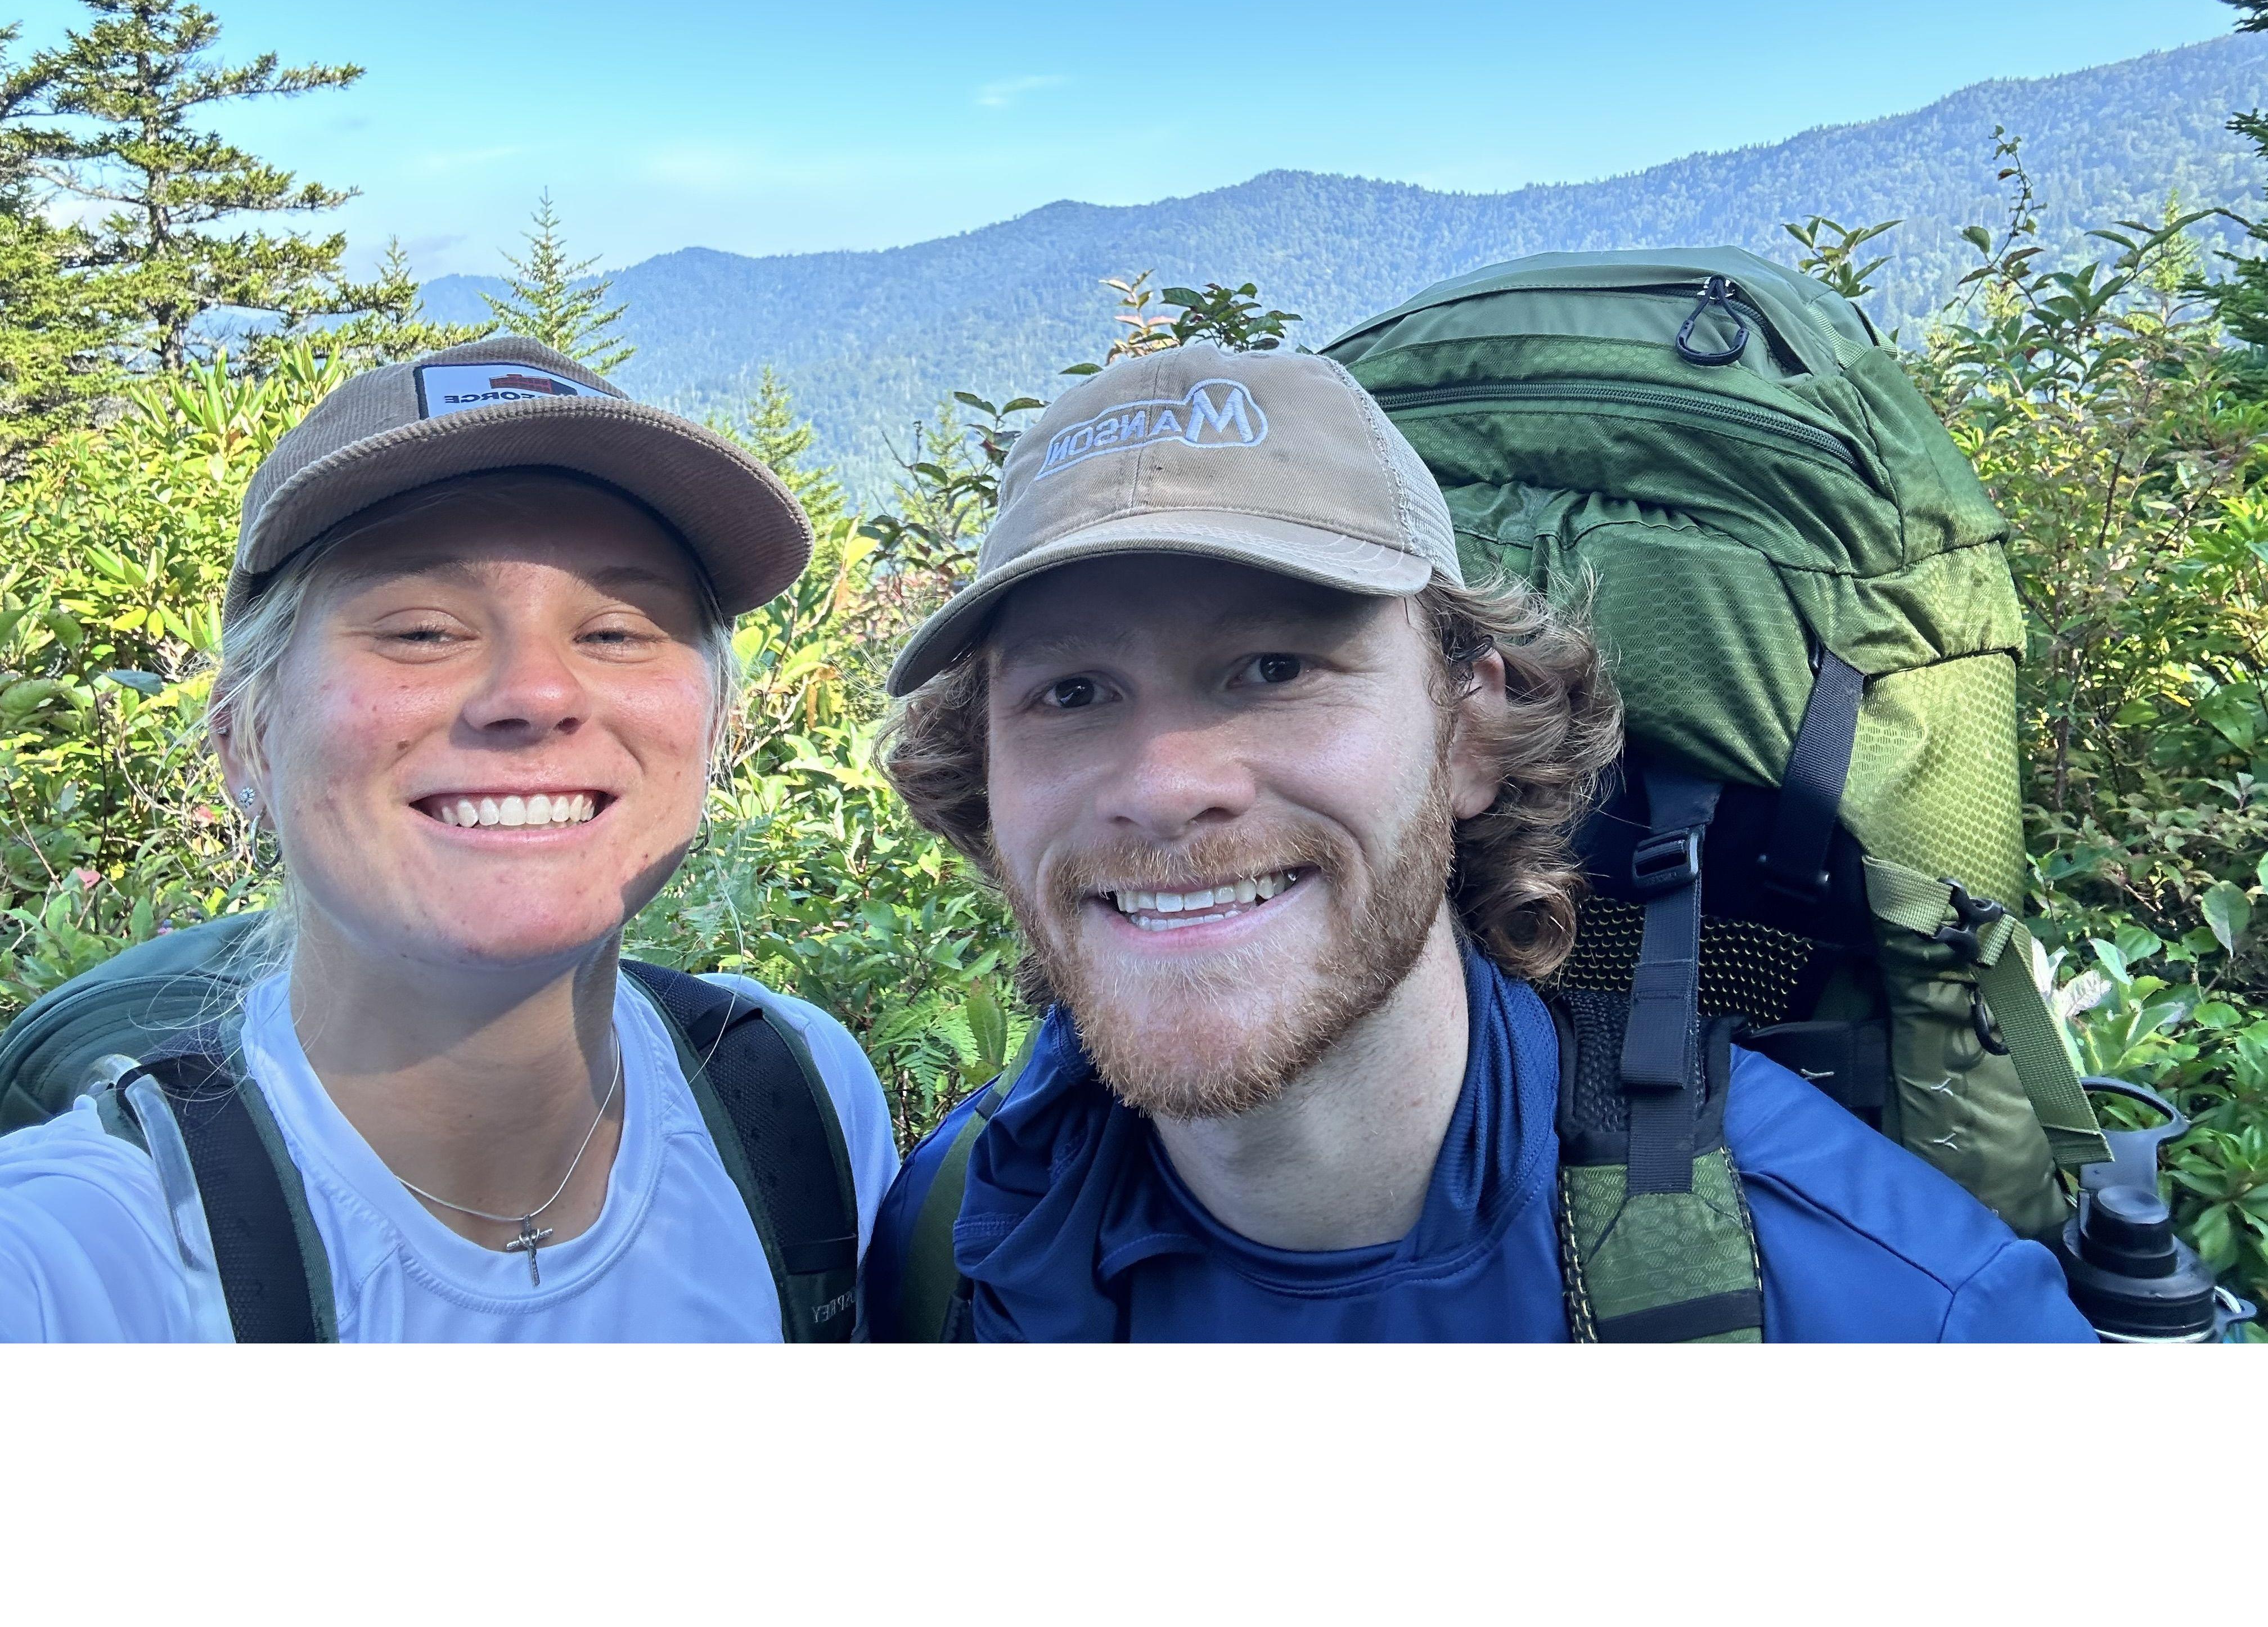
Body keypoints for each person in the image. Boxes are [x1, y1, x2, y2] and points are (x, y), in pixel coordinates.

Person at [862, 344, 2094, 1341]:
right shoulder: (952, 1238)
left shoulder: (1899, 1312)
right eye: (1071, 694)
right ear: (985, 776)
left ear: (1471, 731)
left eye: (1275, 667)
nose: (1167, 786)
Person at [0, 336, 897, 1342]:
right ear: (246, 739)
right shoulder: (80, 1259)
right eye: (423, 629)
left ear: (714, 723)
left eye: (617, 630)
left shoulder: (797, 1109)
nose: (537, 693)